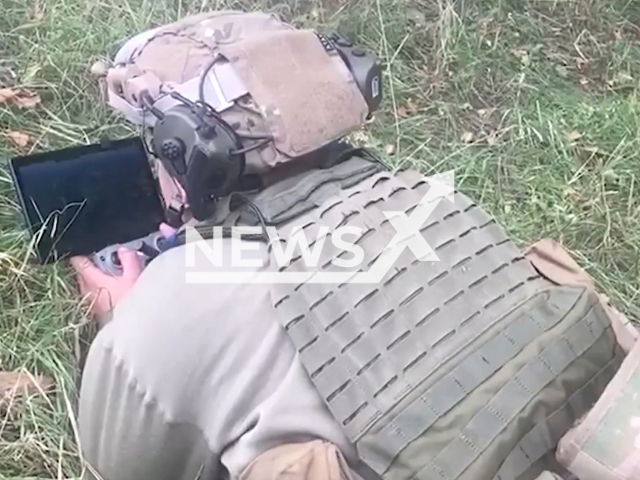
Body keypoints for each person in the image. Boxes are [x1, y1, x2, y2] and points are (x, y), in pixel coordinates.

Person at [71, 10, 640, 480]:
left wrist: (125, 325)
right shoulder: (433, 196)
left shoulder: (177, 299)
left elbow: (115, 465)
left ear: (182, 149)